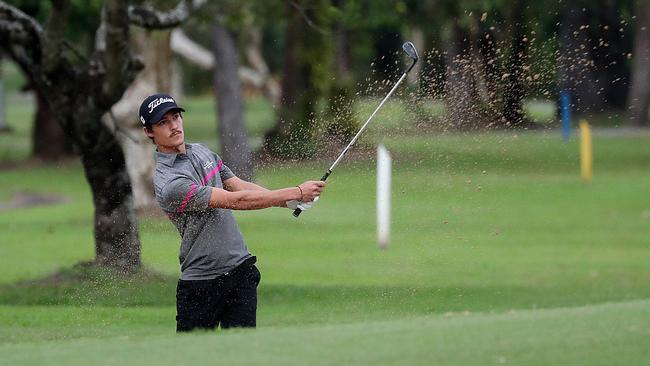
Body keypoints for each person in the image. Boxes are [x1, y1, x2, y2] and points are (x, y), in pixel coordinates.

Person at [139, 93, 325, 332]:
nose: (174, 126)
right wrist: (296, 191)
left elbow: (237, 185)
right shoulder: (170, 183)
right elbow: (235, 200)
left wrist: (287, 201)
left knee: (242, 353)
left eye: (175, 117)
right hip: (201, 282)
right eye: (163, 122)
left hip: (240, 270)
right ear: (149, 132)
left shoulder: (202, 152)